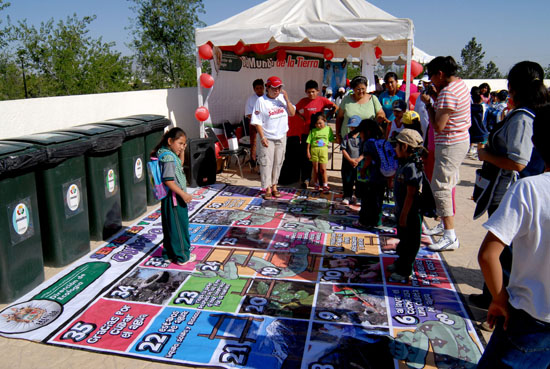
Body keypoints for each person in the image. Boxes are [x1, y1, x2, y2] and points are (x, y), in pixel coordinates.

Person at [476, 103, 550, 369]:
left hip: (529, 319)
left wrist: (498, 298)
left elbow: (488, 255)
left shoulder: (529, 189)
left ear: (535, 142)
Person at [470, 61, 549, 312]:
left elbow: (517, 162)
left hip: (512, 189)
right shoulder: (530, 114)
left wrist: (486, 156)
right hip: (518, 188)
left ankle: (499, 299)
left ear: (511, 87)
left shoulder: (523, 118)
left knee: (504, 250)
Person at [420, 56, 470, 251]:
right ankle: (444, 225)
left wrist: (429, 105)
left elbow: (439, 126)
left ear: (440, 74)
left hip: (450, 143)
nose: (430, 80)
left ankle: (450, 235)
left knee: (440, 186)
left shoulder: (448, 93)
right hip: (458, 140)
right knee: (447, 184)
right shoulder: (460, 86)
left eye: (432, 76)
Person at [387, 129, 426, 283]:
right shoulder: (405, 163)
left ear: (405, 147)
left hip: (410, 213)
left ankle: (405, 270)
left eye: (397, 146)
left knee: (410, 243)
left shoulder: (412, 167)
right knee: (403, 240)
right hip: (403, 210)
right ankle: (400, 262)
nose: (395, 149)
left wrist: (403, 215)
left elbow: (411, 194)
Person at [152, 127, 195, 265]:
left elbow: (179, 164)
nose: (182, 147)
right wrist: (183, 194)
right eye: (180, 144)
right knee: (179, 227)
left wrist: (182, 151)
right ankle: (182, 256)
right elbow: (168, 180)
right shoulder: (169, 157)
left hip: (169, 198)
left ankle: (169, 254)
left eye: (184, 144)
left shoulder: (166, 154)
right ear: (170, 141)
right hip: (175, 198)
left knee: (170, 226)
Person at [251, 76, 296, 200]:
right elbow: (257, 121)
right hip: (267, 137)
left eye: (279, 88)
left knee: (278, 162)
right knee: (266, 163)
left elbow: (292, 113)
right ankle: (267, 188)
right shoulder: (261, 101)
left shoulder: (282, 98)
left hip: (281, 136)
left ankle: (275, 185)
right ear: (268, 87)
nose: (277, 90)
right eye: (274, 88)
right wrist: (262, 137)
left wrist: (287, 100)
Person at [295, 80, 338, 188]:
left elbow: (335, 107)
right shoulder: (303, 101)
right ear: (306, 92)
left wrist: (327, 117)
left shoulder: (322, 100)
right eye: (309, 92)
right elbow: (294, 109)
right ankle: (306, 179)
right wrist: (302, 117)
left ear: (318, 91)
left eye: (313, 92)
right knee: (306, 157)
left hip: (319, 133)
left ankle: (319, 181)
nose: (311, 94)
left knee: (318, 159)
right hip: (307, 132)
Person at [354, 119, 388, 228]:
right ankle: (377, 221)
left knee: (367, 200)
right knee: (378, 200)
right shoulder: (380, 140)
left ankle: (364, 221)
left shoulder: (369, 143)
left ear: (367, 131)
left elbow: (368, 158)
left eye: (361, 132)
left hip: (372, 177)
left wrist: (363, 170)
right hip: (382, 175)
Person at [335, 75, 385, 144]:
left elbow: (381, 113)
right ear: (353, 89)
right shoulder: (346, 100)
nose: (361, 91)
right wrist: (338, 135)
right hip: (348, 141)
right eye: (358, 89)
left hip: (367, 141)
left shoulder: (373, 99)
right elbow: (339, 118)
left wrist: (380, 116)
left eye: (363, 89)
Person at [307, 113, 335, 193]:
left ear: (324, 121)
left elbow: (332, 139)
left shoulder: (328, 129)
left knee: (323, 169)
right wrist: (308, 151)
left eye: (320, 123)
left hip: (323, 151)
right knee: (315, 169)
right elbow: (309, 141)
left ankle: (325, 185)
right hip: (314, 150)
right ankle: (316, 184)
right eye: (317, 124)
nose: (319, 125)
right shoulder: (313, 130)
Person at [340, 115, 362, 205]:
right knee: (347, 180)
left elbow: (365, 150)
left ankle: (358, 197)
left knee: (359, 181)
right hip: (348, 163)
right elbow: (343, 149)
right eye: (351, 127)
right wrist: (350, 160)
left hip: (359, 163)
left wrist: (358, 160)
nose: (353, 128)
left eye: (355, 127)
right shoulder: (347, 137)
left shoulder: (362, 137)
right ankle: (347, 196)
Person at [244, 78, 264, 168]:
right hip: (254, 126)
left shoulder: (267, 98)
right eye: (257, 88)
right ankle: (254, 163)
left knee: (264, 145)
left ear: (263, 87)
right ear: (254, 89)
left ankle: (262, 164)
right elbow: (248, 114)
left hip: (266, 126)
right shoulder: (251, 99)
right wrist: (258, 120)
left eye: (261, 88)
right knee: (255, 145)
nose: (259, 90)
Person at [468, 86, 489, 159]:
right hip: (482, 129)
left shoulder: (469, 107)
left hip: (472, 129)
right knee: (481, 144)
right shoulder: (484, 107)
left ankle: (471, 150)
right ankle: (479, 154)